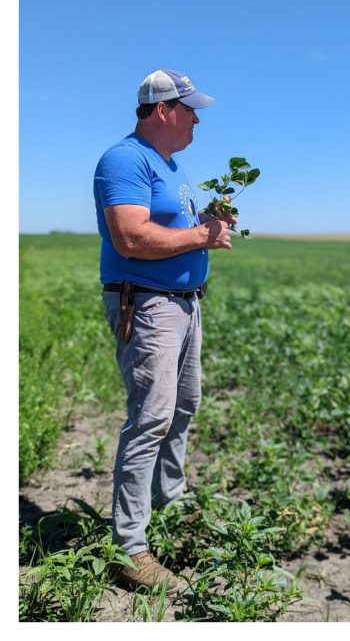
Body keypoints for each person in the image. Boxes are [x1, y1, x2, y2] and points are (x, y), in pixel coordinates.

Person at [93, 69, 234, 592]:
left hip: (184, 305)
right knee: (150, 418)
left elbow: (172, 228)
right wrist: (201, 234)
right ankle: (129, 547)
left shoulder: (171, 167)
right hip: (148, 306)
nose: (198, 117)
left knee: (184, 405)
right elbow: (130, 237)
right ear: (163, 110)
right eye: (191, 107)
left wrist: (207, 221)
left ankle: (167, 507)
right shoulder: (125, 159)